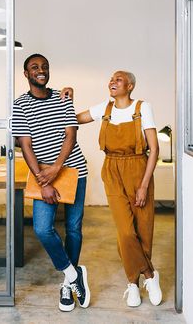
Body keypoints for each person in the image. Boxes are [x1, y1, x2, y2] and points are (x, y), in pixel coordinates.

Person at [62, 70, 162, 307]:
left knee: (143, 231)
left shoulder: (142, 108)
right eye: (111, 79)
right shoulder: (104, 109)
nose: (112, 82)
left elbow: (154, 149)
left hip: (139, 170)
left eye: (118, 79)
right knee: (126, 232)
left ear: (130, 86)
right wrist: (66, 101)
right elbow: (75, 119)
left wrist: (144, 185)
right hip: (112, 171)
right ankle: (147, 276)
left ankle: (133, 285)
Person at [12, 53, 90, 312]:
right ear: (26, 74)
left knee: (73, 229)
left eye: (44, 67)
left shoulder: (63, 98)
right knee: (43, 228)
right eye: (34, 67)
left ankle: (67, 287)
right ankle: (72, 273)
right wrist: (43, 181)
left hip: (73, 170)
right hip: (43, 176)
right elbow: (26, 146)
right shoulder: (20, 105)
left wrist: (57, 168)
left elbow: (70, 134)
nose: (40, 70)